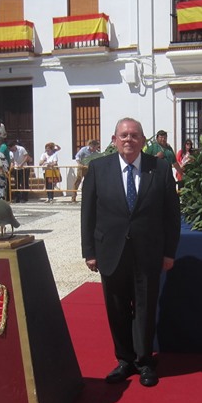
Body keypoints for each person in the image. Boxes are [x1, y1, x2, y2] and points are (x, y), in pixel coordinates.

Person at [80, 118, 181, 388]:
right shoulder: (98, 169)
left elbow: (172, 215)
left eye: (134, 135)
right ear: (114, 140)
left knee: (145, 307)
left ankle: (145, 361)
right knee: (117, 308)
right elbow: (87, 213)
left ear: (143, 140)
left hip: (148, 252)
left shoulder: (158, 169)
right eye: (123, 135)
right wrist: (89, 251)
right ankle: (124, 360)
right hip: (110, 251)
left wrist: (169, 252)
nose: (128, 140)